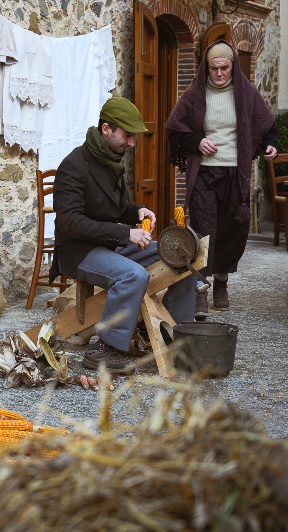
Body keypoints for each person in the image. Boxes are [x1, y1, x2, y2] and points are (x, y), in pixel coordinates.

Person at [48, 97, 196, 371]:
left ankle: (177, 338)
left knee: (181, 256)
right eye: (127, 136)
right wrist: (126, 233)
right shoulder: (73, 166)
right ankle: (104, 348)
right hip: (79, 250)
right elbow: (71, 223)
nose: (132, 143)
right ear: (106, 130)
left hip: (109, 243)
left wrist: (137, 211)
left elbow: (117, 208)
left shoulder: (112, 160)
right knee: (133, 276)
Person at [165, 41, 278, 319]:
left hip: (235, 174)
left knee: (231, 230)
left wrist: (269, 146)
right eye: (214, 68)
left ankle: (222, 283)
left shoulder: (246, 94)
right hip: (205, 173)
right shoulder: (194, 94)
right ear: (207, 68)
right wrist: (197, 141)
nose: (219, 74)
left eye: (224, 68)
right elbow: (175, 129)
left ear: (232, 67)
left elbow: (267, 125)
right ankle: (201, 290)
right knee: (204, 231)